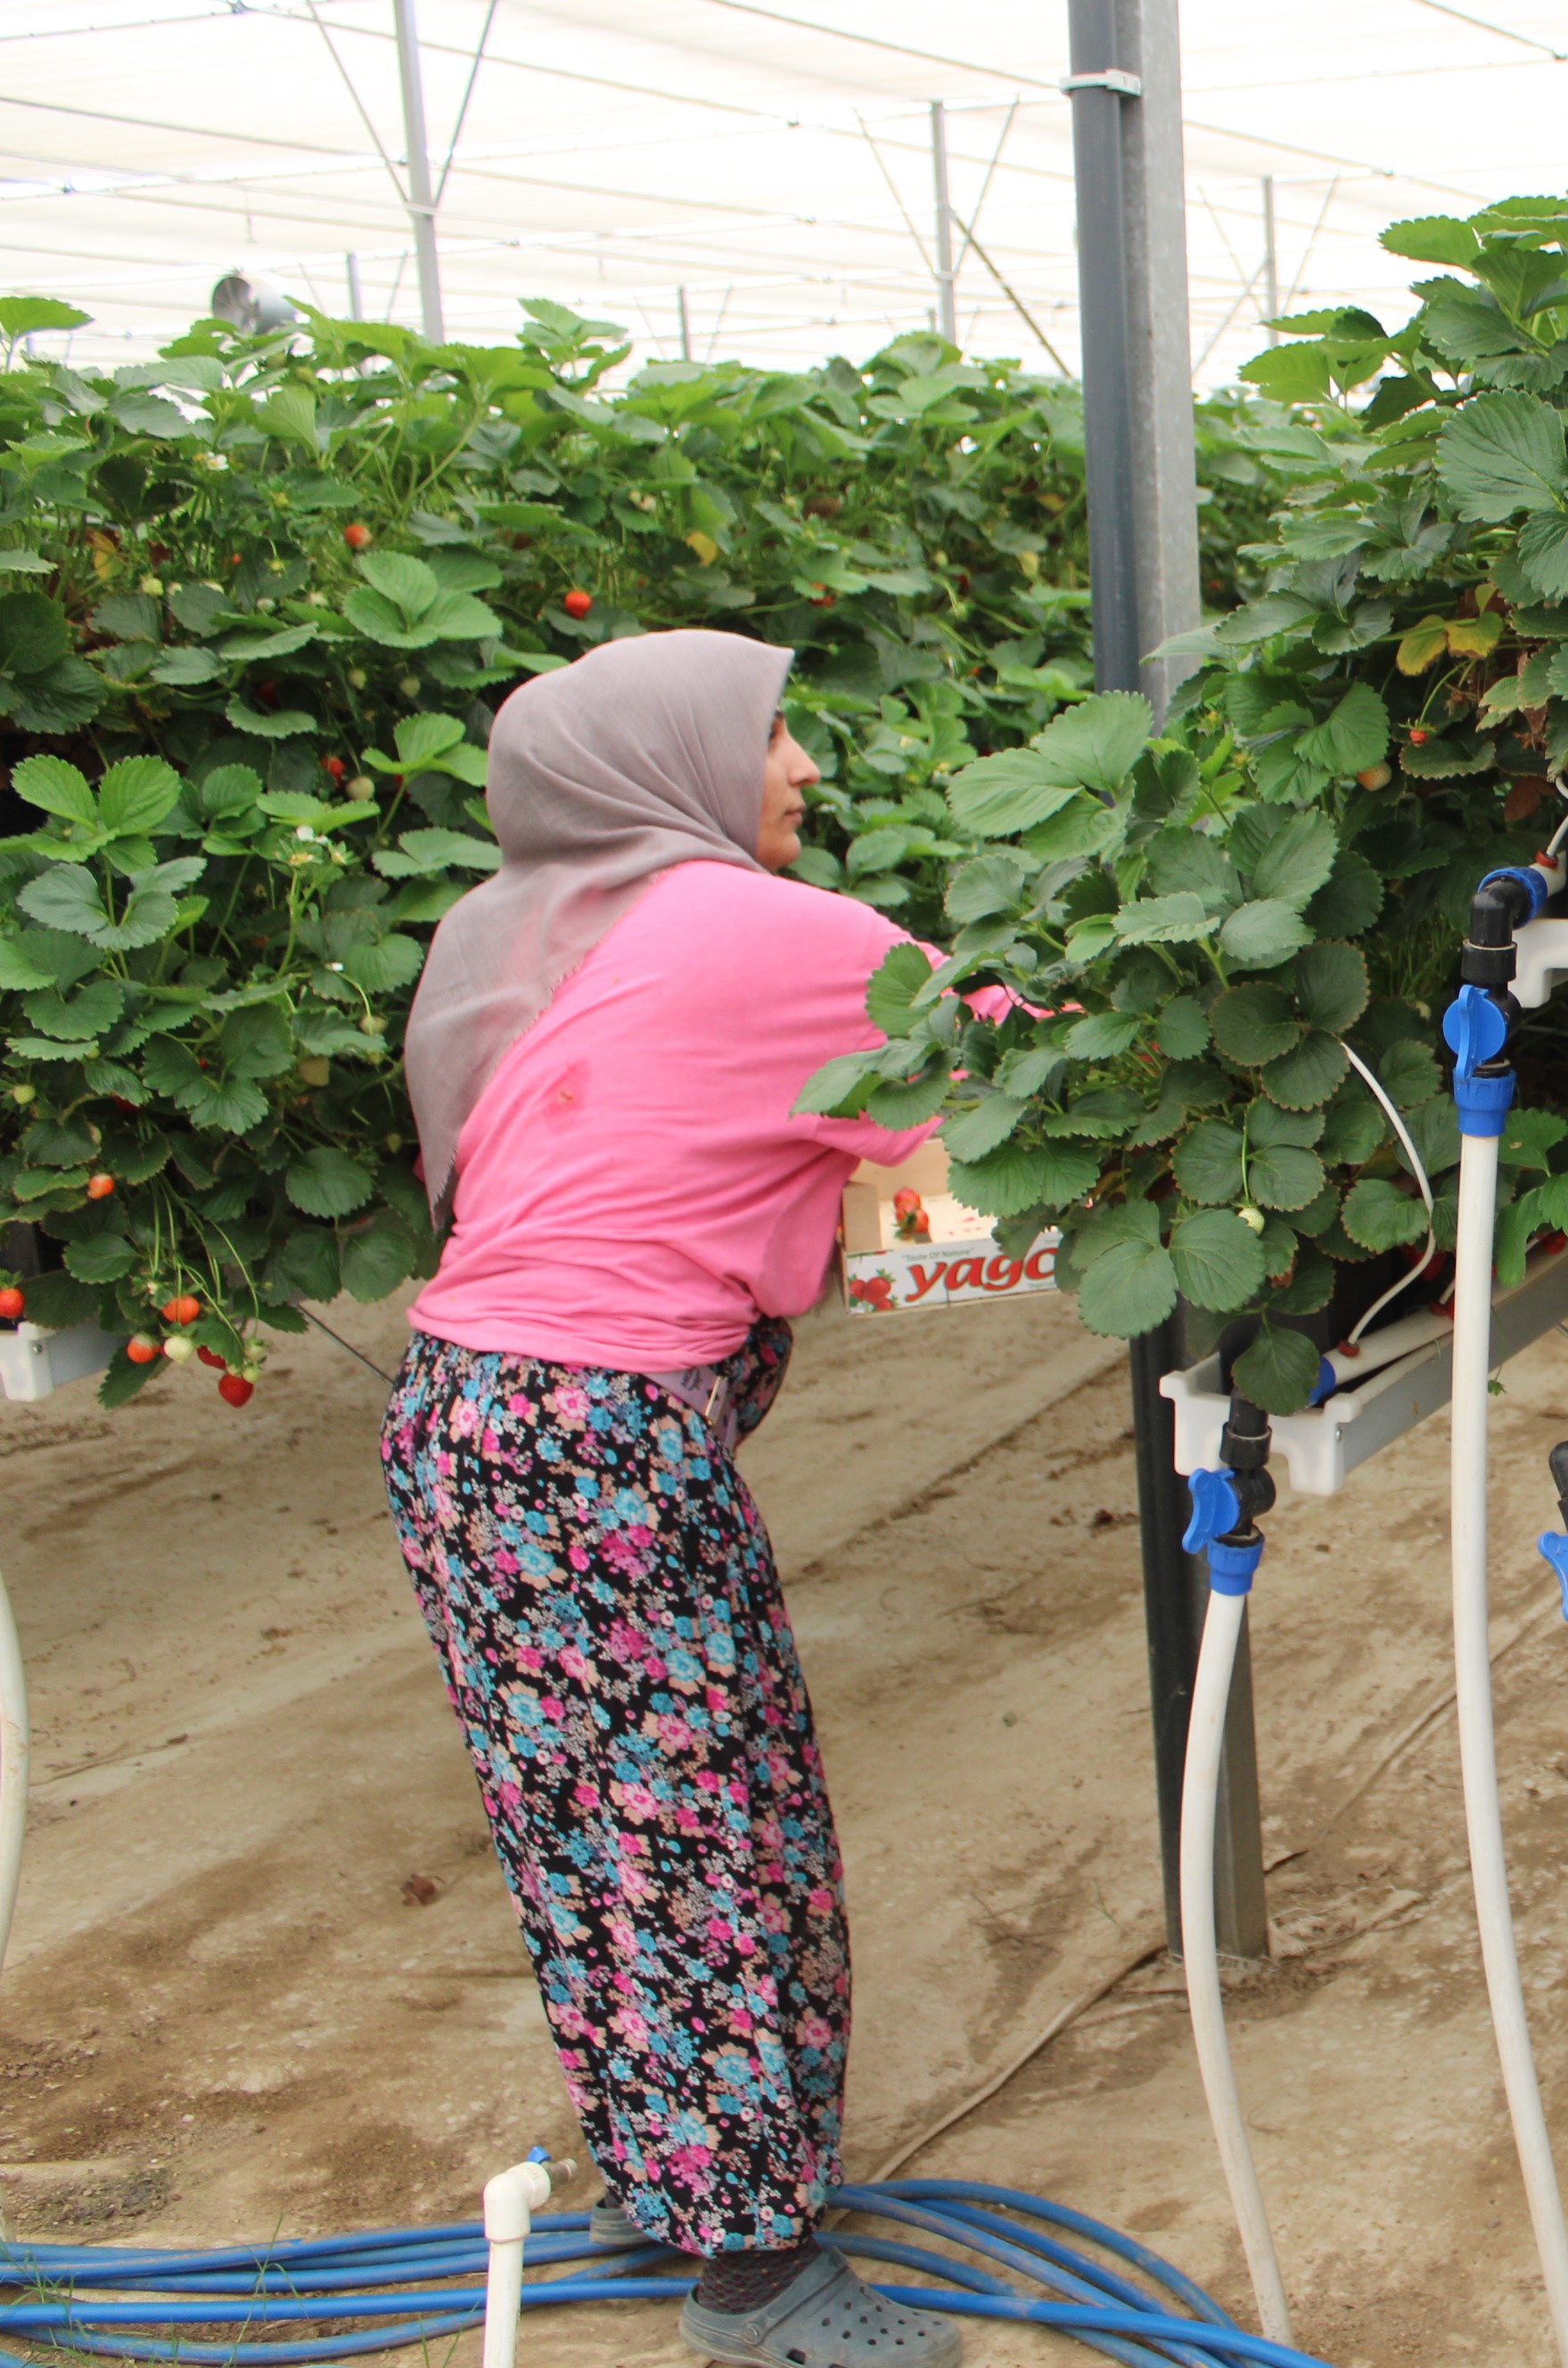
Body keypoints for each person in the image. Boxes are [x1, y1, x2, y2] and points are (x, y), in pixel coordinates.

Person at [380, 629, 986, 2368]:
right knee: (722, 1835)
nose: (801, 766)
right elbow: (1002, 1055)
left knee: (591, 1829)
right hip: (600, 1444)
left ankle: (673, 2173)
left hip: (465, 1428)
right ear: (666, 764)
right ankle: (756, 2274)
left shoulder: (512, 930)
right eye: (773, 732)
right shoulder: (768, 931)